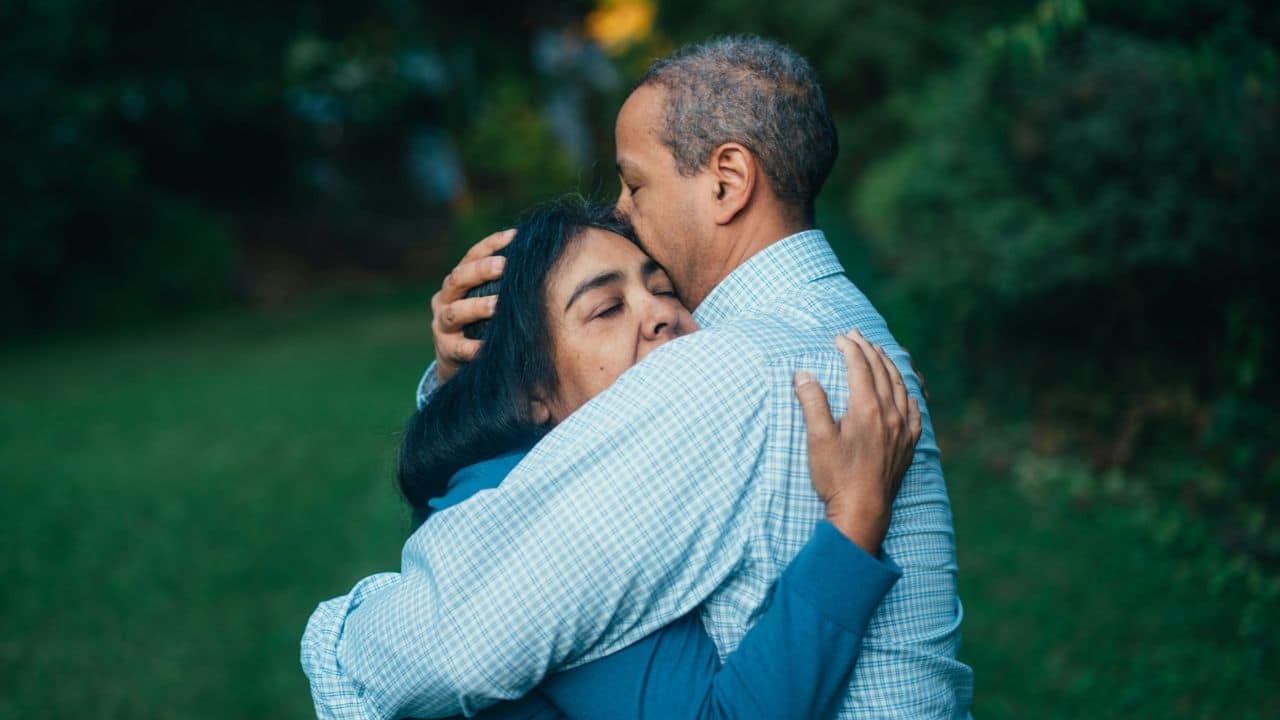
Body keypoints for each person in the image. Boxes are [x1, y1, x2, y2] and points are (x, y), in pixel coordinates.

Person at [305, 36, 972, 719]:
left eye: (635, 182)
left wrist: (338, 638)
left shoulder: (726, 368)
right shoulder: (838, 329)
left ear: (727, 181)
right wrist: (470, 376)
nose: (623, 211)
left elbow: (447, 645)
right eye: (607, 305)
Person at [310, 197, 919, 720]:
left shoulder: (583, 471)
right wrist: (855, 519)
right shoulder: (551, 529)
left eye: (662, 288)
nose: (661, 313)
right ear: (531, 393)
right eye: (607, 309)